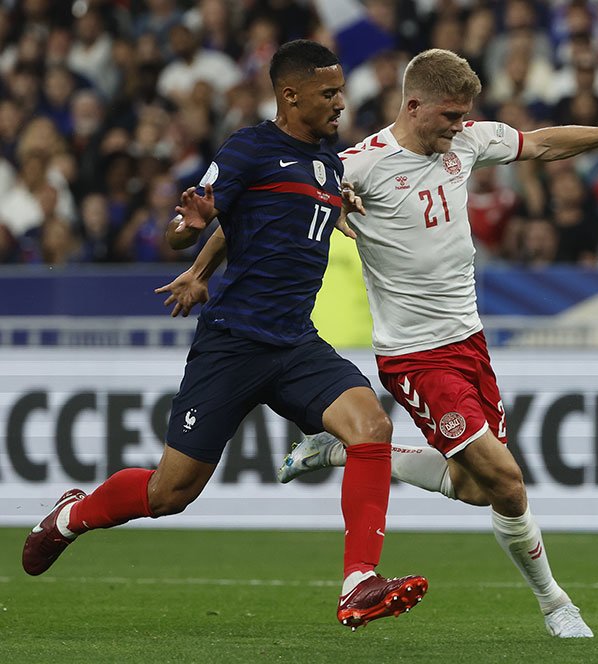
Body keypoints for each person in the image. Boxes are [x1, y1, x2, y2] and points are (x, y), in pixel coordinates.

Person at [159, 48, 598, 639]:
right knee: (508, 482)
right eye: (449, 116)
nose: (458, 127)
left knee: (478, 488)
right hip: (415, 356)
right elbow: (256, 206)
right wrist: (200, 269)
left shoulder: (466, 144)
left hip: (469, 345)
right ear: (414, 105)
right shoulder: (358, 166)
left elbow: (543, 143)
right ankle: (557, 605)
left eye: (464, 117)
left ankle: (339, 452)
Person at [22, 40, 428, 631]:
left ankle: (359, 581)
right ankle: (71, 516)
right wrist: (189, 241)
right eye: (330, 93)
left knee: (372, 426)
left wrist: (334, 208)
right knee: (170, 493)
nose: (343, 102)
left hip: (294, 343)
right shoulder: (248, 149)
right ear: (290, 95)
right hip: (233, 342)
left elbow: (251, 222)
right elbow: (200, 220)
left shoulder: (328, 163)